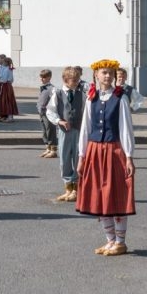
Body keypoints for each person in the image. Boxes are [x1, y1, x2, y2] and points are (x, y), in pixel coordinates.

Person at [76, 59, 136, 256]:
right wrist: (81, 156)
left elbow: (126, 129)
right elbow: (85, 128)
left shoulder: (120, 99)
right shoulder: (90, 98)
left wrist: (128, 156)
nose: (107, 76)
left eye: (110, 72)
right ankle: (110, 240)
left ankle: (120, 241)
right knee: (100, 197)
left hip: (113, 150)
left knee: (116, 195)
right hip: (94, 150)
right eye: (104, 72)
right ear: (96, 75)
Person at [46, 66, 86, 202]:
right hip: (64, 131)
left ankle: (77, 188)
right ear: (65, 80)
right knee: (64, 159)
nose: (75, 83)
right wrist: (59, 121)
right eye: (73, 80)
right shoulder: (57, 94)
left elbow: (86, 111)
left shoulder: (82, 94)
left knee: (78, 157)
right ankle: (68, 188)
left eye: (77, 80)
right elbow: (50, 111)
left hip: (79, 130)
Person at [36, 69, 57, 158]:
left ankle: (53, 150)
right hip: (41, 112)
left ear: (49, 77)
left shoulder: (51, 88)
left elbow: (54, 101)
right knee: (44, 131)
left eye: (44, 77)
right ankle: (48, 148)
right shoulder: (42, 87)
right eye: (41, 77)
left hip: (48, 113)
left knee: (50, 130)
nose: (42, 79)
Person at [0, 55, 18, 122]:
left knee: (7, 101)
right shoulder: (4, 68)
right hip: (4, 85)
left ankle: (10, 117)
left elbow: (5, 79)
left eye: (3, 62)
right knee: (2, 101)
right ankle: (4, 116)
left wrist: (0, 81)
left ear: (6, 63)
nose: (2, 63)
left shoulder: (7, 69)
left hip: (6, 86)